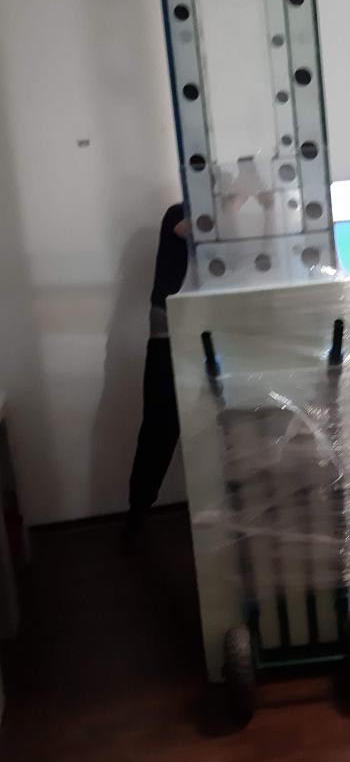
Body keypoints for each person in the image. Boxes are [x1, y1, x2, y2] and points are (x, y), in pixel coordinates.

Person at [126, 204, 189, 535]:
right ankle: (137, 514)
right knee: (159, 431)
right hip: (167, 338)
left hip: (209, 330)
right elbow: (191, 228)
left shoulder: (230, 222)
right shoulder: (178, 214)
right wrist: (233, 201)